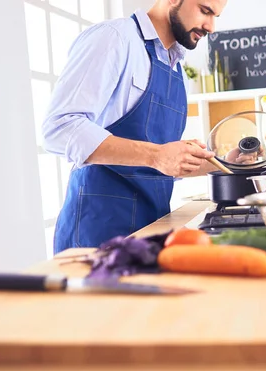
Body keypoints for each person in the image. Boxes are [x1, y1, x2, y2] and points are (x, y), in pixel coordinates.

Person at [42, 0, 232, 254]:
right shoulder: (114, 38)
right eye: (205, 11)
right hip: (97, 234)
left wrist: (226, 163)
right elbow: (59, 128)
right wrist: (157, 156)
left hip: (151, 231)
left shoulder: (177, 69)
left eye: (216, 16)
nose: (211, 26)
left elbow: (160, 163)